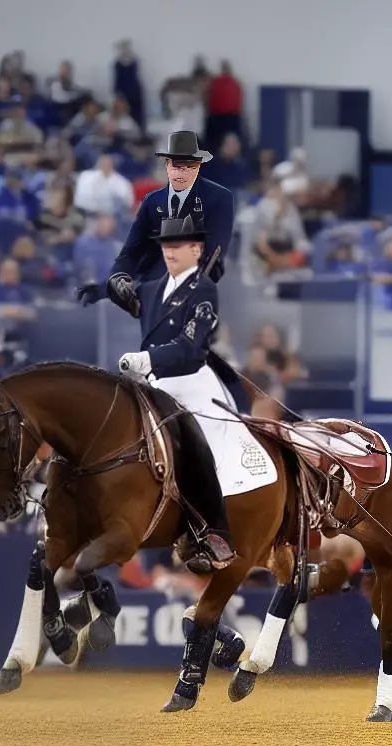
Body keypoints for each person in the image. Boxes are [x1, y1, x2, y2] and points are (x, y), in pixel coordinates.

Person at [113, 215, 246, 574]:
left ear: (197, 250)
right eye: (166, 245)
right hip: (156, 382)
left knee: (199, 445)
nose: (169, 251)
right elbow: (127, 293)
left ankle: (216, 532)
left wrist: (147, 358)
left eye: (178, 245)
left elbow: (189, 348)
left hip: (190, 381)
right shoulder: (155, 287)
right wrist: (111, 285)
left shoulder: (203, 291)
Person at [76, 130, 234, 308]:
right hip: (155, 295)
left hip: (195, 297)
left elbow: (215, 255)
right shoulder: (153, 202)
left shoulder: (218, 199)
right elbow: (133, 255)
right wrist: (104, 289)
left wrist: (189, 291)